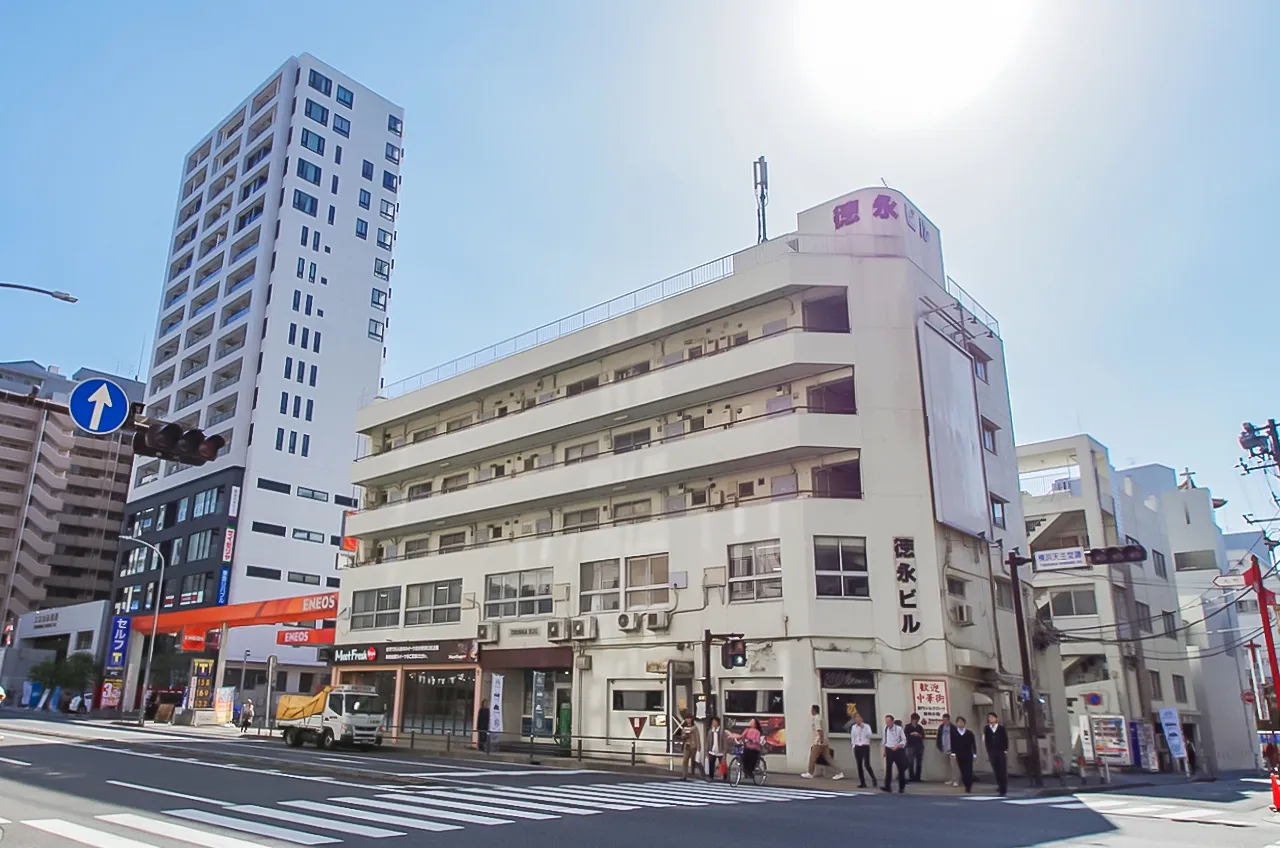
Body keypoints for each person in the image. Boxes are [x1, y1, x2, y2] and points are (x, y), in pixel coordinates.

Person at [802, 704, 844, 780]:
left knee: (812, 757)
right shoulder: (821, 718)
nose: (811, 711)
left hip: (818, 742)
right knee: (828, 758)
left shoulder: (816, 718)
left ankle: (810, 773)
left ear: (814, 710)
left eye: (811, 709)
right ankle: (839, 772)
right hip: (824, 742)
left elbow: (819, 730)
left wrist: (820, 740)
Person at [881, 713, 908, 793]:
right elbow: (884, 740)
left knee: (900, 769)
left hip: (898, 750)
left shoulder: (899, 729)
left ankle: (901, 787)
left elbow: (904, 740)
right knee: (888, 769)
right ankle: (887, 786)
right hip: (889, 749)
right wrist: (884, 750)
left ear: (893, 721)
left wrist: (898, 746)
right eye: (886, 722)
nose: (887, 723)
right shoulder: (885, 729)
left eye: (889, 722)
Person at [984, 712, 1009, 795]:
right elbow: (986, 740)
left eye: (992, 717)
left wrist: (1005, 749)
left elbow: (1005, 739)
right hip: (992, 751)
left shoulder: (1001, 728)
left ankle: (1003, 787)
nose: (990, 719)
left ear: (995, 718)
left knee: (1002, 769)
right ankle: (999, 785)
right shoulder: (987, 728)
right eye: (989, 717)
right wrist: (988, 750)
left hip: (1001, 751)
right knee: (996, 769)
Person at [848, 713, 876, 788]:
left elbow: (870, 735)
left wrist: (863, 729)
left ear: (861, 719)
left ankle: (873, 778)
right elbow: (852, 737)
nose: (857, 720)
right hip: (857, 746)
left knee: (867, 764)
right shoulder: (854, 727)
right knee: (859, 765)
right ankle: (862, 782)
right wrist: (854, 746)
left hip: (865, 746)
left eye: (858, 718)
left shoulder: (867, 726)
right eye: (856, 718)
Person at [951, 716, 977, 792]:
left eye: (962, 722)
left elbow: (973, 744)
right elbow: (953, 744)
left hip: (968, 754)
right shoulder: (954, 733)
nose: (960, 724)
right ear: (956, 724)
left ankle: (969, 786)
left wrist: (974, 754)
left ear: (964, 723)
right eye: (958, 722)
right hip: (959, 754)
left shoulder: (969, 733)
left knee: (969, 770)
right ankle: (966, 784)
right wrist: (953, 753)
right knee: (962, 770)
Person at [936, 713, 957, 786]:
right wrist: (939, 746)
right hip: (944, 748)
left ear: (949, 720)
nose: (944, 721)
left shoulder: (953, 727)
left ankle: (955, 780)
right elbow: (938, 737)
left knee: (953, 765)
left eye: (946, 720)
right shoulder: (941, 727)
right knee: (947, 766)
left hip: (952, 749)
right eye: (943, 720)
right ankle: (950, 779)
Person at [679, 715, 703, 780]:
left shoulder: (694, 727)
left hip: (693, 745)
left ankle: (694, 773)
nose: (688, 720)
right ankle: (684, 775)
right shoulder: (684, 727)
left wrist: (698, 747)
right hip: (687, 745)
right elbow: (682, 736)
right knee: (685, 761)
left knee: (694, 760)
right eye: (687, 719)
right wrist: (684, 736)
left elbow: (697, 737)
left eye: (689, 719)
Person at [904, 713, 926, 782]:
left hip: (919, 746)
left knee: (919, 762)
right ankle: (911, 777)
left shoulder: (919, 727)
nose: (915, 721)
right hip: (910, 746)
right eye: (914, 720)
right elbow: (905, 735)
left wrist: (918, 734)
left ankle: (918, 777)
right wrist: (911, 734)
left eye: (916, 720)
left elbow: (923, 736)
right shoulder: (908, 726)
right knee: (910, 762)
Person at [705, 717, 727, 781]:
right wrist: (707, 750)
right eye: (712, 722)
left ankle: (725, 776)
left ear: (718, 723)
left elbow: (725, 742)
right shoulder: (710, 731)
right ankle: (711, 777)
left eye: (715, 722)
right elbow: (708, 741)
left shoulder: (722, 731)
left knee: (722, 764)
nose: (713, 723)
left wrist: (725, 753)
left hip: (720, 751)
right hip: (712, 750)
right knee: (711, 764)